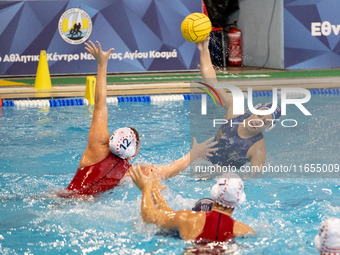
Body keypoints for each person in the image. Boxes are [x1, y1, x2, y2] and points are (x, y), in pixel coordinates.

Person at [57, 41, 217, 198]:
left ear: (112, 138)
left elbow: (100, 103)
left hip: (61, 197)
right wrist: (194, 153)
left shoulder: (97, 146)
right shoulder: (131, 172)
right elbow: (169, 171)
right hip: (86, 206)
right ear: (135, 150)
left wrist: (102, 64)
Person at [196, 37, 281, 171]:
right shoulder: (234, 109)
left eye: (265, 122)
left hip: (220, 181)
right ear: (254, 110)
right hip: (200, 165)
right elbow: (211, 83)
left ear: (268, 128)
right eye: (259, 116)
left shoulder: (257, 150)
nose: (258, 122)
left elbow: (253, 183)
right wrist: (204, 50)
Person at [130, 164, 256, 241]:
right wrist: (156, 192)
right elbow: (169, 214)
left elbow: (149, 216)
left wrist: (145, 188)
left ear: (214, 193)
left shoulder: (189, 219)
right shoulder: (246, 231)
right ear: (239, 201)